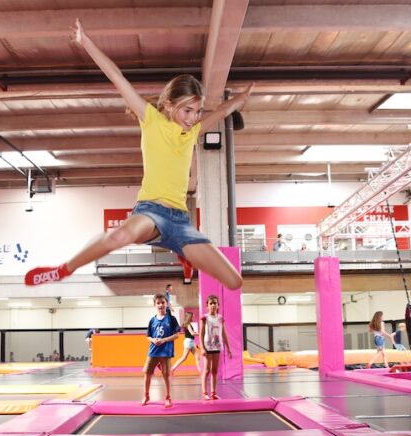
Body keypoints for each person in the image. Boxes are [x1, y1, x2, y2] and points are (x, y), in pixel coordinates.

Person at [24, 18, 252, 291]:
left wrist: (241, 99)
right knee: (117, 238)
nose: (193, 118)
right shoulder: (151, 119)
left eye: (197, 112)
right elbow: (117, 77)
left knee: (234, 281)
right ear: (169, 105)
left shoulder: (192, 133)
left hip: (181, 221)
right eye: (187, 111)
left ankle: (182, 252)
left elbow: (222, 111)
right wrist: (85, 41)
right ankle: (62, 269)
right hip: (151, 213)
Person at [142, 293, 180, 408]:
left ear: (166, 304)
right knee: (147, 373)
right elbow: (148, 336)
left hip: (165, 352)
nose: (160, 305)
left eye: (163, 302)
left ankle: (168, 397)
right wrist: (153, 340)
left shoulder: (171, 319)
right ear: (154, 305)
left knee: (166, 375)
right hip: (153, 351)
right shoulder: (152, 320)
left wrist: (164, 340)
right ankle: (146, 395)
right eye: (158, 303)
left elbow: (177, 335)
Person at [200, 294, 231, 400]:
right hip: (207, 347)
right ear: (207, 306)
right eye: (211, 303)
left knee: (215, 370)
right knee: (207, 370)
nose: (213, 305)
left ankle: (213, 393)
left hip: (217, 346)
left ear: (218, 305)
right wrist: (202, 347)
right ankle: (204, 393)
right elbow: (201, 333)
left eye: (215, 303)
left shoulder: (220, 318)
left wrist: (229, 348)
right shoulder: (205, 318)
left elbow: (224, 333)